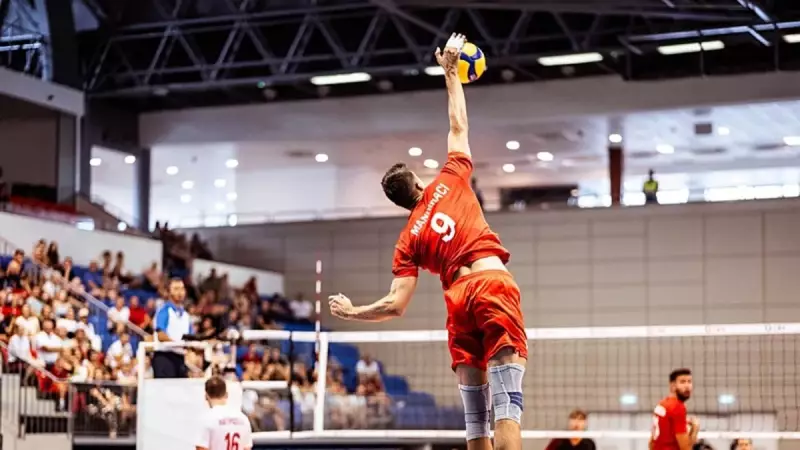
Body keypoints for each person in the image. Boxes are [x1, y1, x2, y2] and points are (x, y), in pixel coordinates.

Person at [328, 33, 527, 450]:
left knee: (476, 417)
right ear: (418, 182)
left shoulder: (407, 241)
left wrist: (351, 312)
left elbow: (395, 305)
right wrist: (450, 73)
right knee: (507, 399)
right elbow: (458, 124)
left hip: (457, 300)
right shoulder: (449, 178)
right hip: (491, 285)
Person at [195, 375, 253, 450]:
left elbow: (201, 448)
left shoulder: (206, 419)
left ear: (206, 396)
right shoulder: (243, 419)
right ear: (226, 395)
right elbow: (247, 448)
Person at [152, 278, 193, 378]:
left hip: (180, 357)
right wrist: (178, 344)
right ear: (169, 292)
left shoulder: (186, 316)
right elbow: (161, 335)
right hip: (165, 357)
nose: (180, 292)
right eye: (176, 289)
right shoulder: (164, 311)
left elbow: (191, 337)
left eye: (182, 289)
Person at [650, 368, 699, 450]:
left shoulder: (661, 405)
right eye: (682, 382)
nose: (687, 386)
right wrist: (695, 428)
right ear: (673, 386)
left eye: (689, 381)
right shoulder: (678, 408)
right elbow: (686, 448)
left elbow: (651, 444)